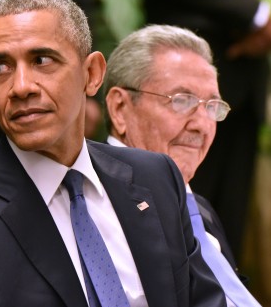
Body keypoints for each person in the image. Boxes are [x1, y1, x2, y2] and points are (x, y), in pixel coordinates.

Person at [0, 0, 226, 307]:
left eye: (41, 60)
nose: (21, 87)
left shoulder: (154, 178)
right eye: (0, 68)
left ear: (92, 74)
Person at [104, 24, 261, 306]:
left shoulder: (200, 210)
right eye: (182, 100)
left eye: (212, 105)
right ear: (119, 109)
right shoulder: (95, 203)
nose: (202, 124)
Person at [134, 0, 271, 258]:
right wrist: (257, 13)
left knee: (227, 226)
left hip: (241, 88)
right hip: (180, 81)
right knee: (178, 214)